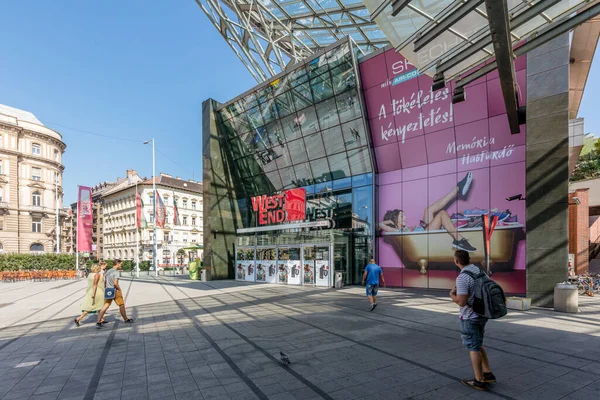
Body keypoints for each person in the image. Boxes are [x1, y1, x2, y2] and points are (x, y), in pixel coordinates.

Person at [379, 172, 476, 252]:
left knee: (428, 210)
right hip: (424, 236)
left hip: (424, 231)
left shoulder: (404, 229)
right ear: (395, 221)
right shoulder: (397, 231)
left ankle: (458, 189)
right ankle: (458, 239)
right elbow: (381, 225)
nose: (405, 218)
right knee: (442, 214)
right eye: (401, 216)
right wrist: (390, 222)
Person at [450, 250, 496, 391]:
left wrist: (451, 295)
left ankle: (479, 380)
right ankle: (487, 373)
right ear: (468, 259)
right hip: (482, 314)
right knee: (478, 343)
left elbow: (462, 302)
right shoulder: (478, 270)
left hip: (470, 317)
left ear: (457, 261)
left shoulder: (462, 277)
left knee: (473, 347)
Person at [96, 259, 134, 328]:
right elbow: (115, 283)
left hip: (108, 290)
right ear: (117, 264)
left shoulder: (108, 271)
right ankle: (126, 319)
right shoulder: (116, 272)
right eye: (120, 264)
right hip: (115, 291)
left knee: (106, 305)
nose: (121, 265)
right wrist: (119, 289)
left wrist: (106, 288)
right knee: (121, 305)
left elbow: (104, 282)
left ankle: (99, 321)